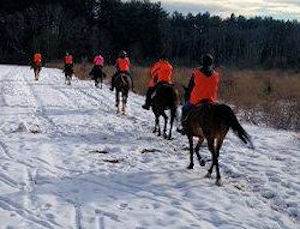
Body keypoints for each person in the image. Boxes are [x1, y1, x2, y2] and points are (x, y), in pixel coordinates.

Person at [178, 54, 219, 134]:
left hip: (197, 100)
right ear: (211, 63)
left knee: (184, 109)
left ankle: (184, 128)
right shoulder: (216, 75)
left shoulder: (196, 73)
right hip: (211, 100)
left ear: (202, 62)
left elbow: (190, 87)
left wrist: (187, 95)